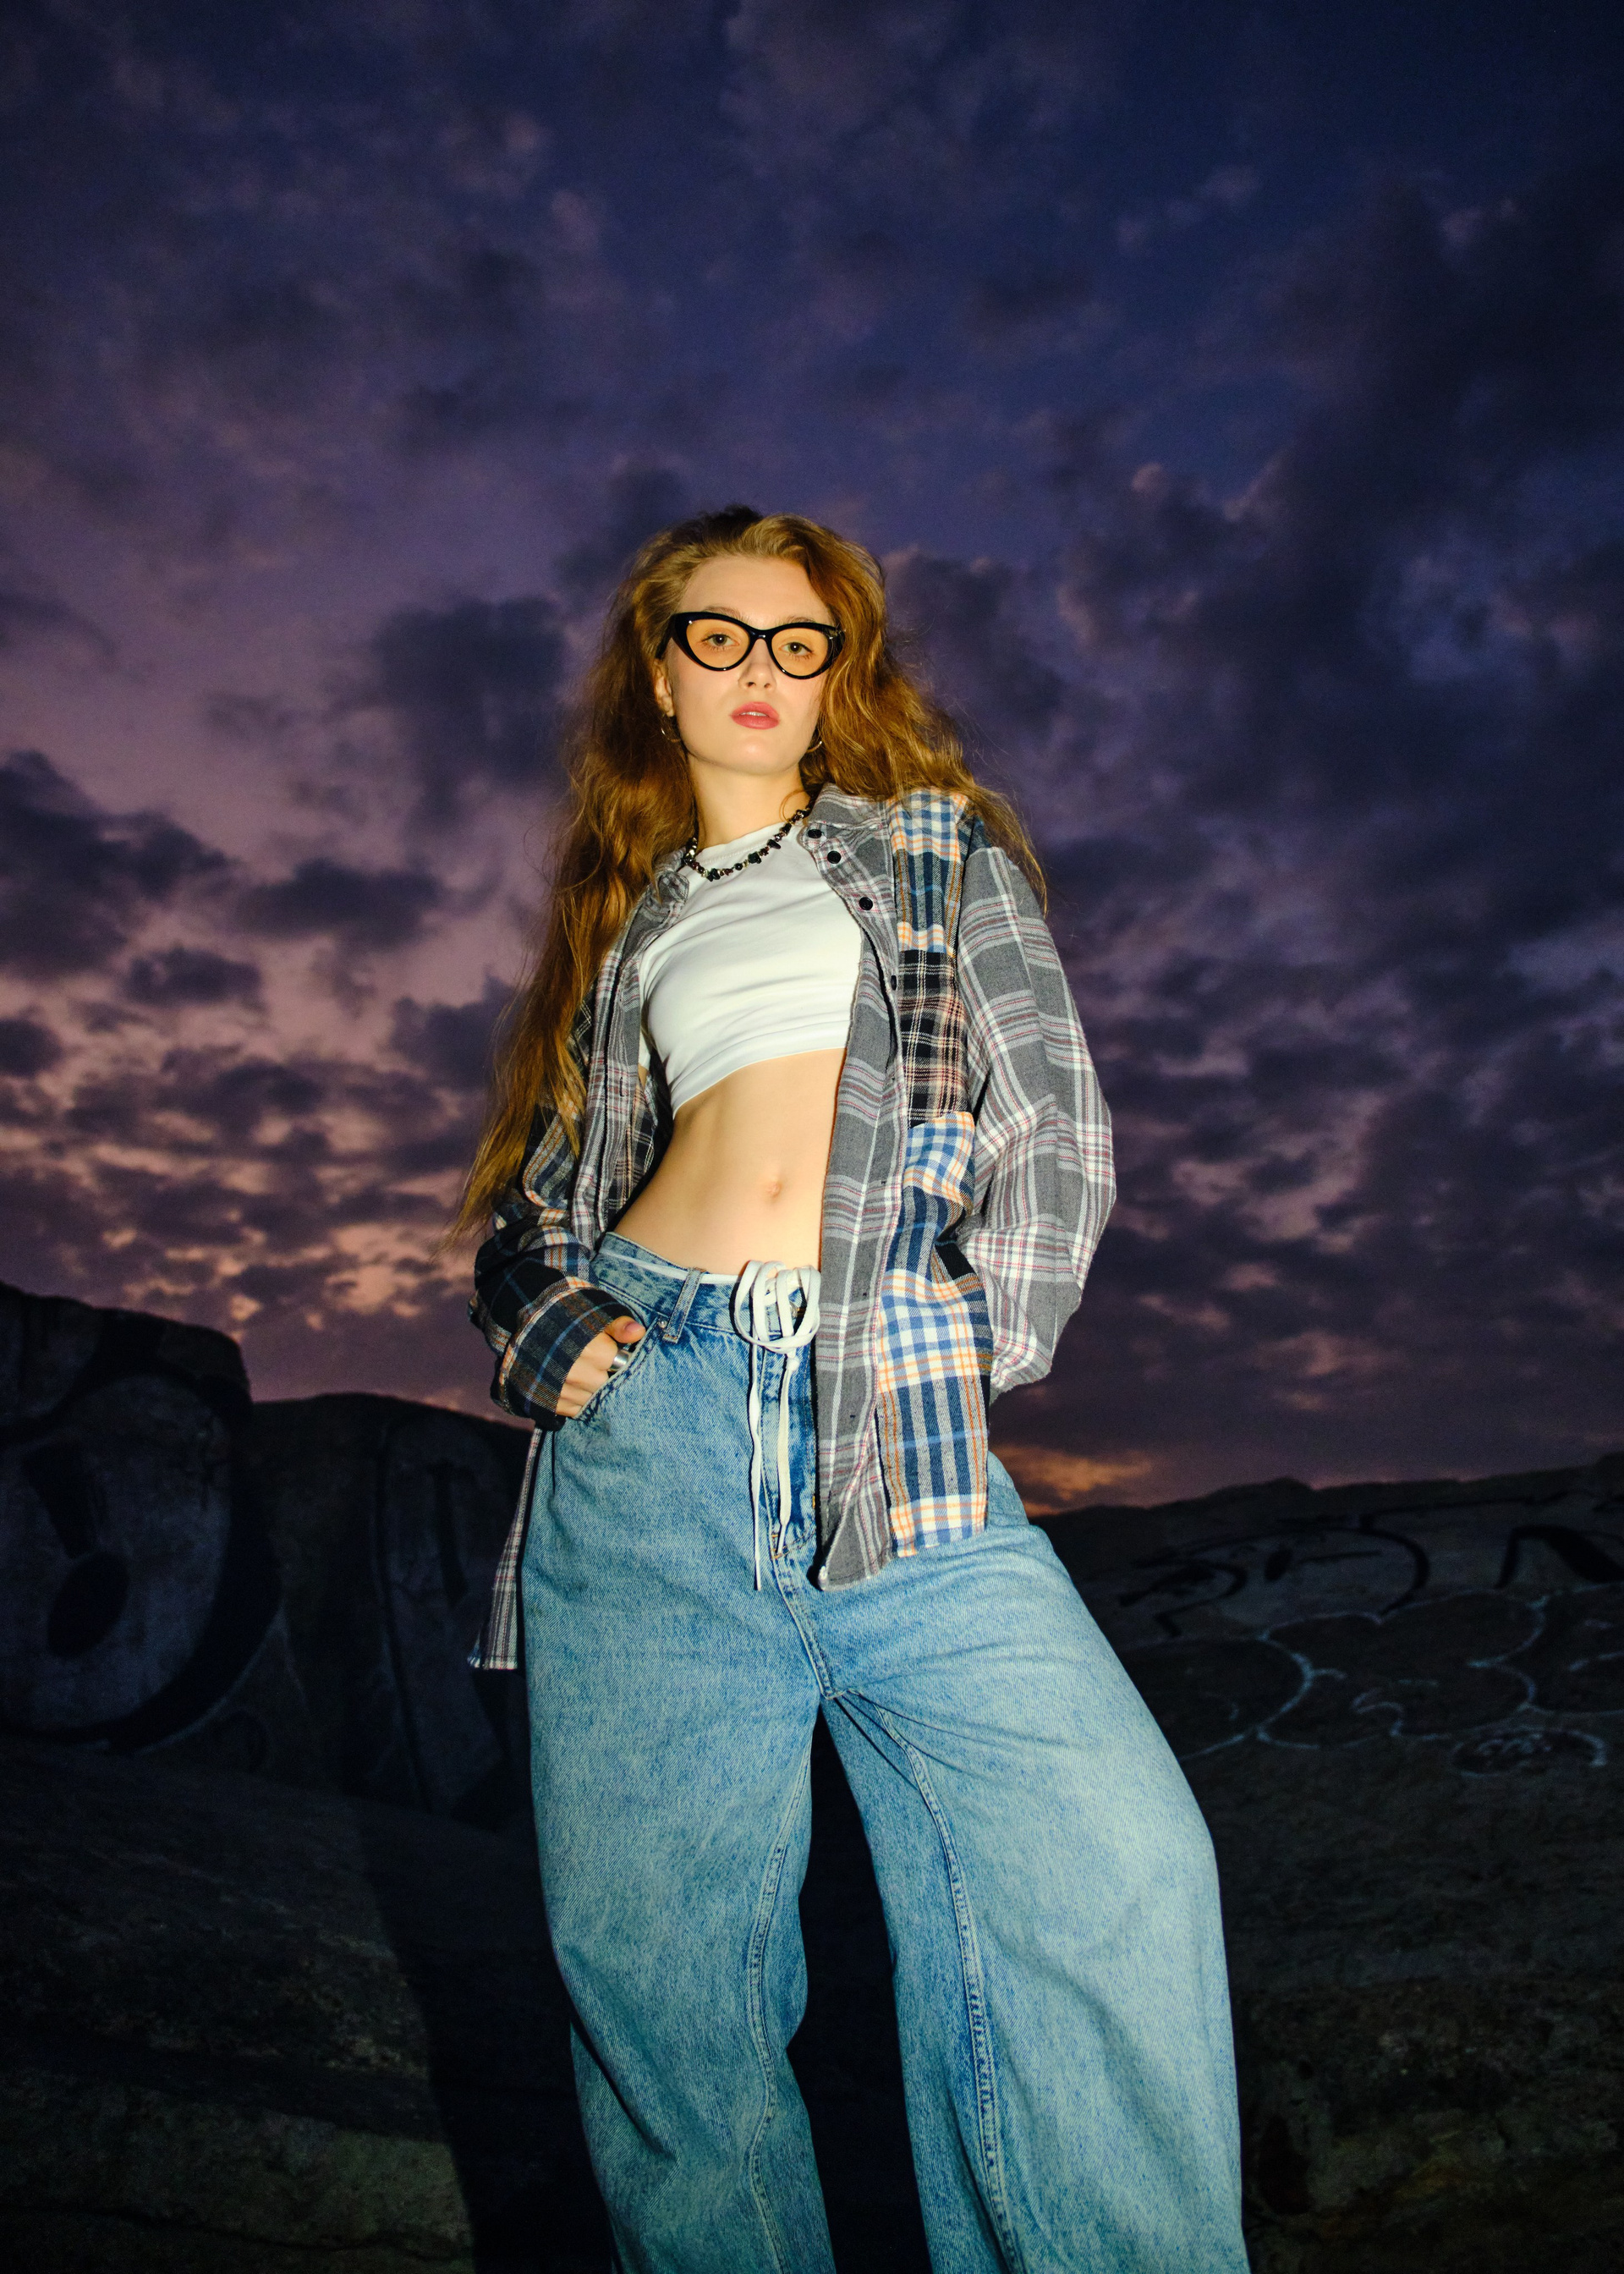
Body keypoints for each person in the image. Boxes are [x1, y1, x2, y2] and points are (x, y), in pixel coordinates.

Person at [456, 506, 1247, 2273]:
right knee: (663, 1992)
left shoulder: (932, 854)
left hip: (897, 1428)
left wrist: (971, 1339)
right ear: (661, 676)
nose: (760, 668)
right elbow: (537, 1208)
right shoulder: (628, 933)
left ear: (838, 679)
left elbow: (1055, 1123)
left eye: (798, 642)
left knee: (1116, 1869)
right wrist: (550, 1322)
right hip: (644, 1444)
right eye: (719, 636)